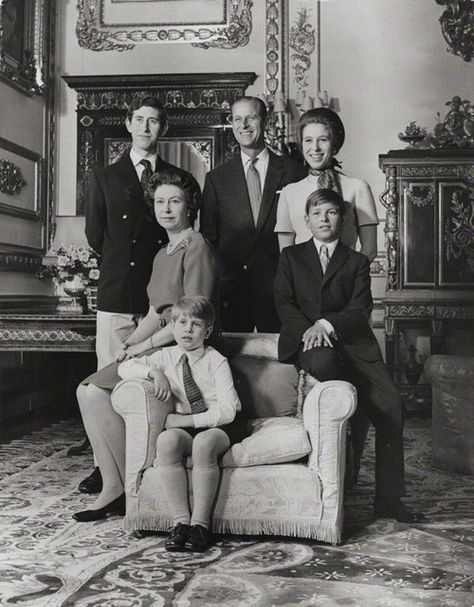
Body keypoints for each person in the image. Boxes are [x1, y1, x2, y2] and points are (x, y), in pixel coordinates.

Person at [74, 169, 219, 518]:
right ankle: (115, 485)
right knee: (86, 391)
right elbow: (156, 311)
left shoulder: (196, 245)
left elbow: (191, 318)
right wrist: (130, 344)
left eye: (174, 201)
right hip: (160, 344)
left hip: (185, 348)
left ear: (189, 207)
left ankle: (128, 485)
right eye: (159, 202)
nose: (166, 209)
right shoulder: (162, 252)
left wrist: (144, 346)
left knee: (94, 391)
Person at [274, 188, 424, 523]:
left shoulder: (355, 261)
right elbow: (284, 304)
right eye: (317, 213)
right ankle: (344, 467)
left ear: (342, 220)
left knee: (391, 405)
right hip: (309, 345)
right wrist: (309, 331)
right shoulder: (291, 258)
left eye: (331, 213)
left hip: (354, 344)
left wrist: (325, 325)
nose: (324, 219)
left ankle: (389, 501)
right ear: (307, 221)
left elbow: (360, 309)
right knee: (330, 369)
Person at [80, 96, 185, 495]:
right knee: (107, 377)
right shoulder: (105, 177)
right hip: (117, 291)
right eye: (139, 120)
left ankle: (148, 462)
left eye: (153, 122)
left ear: (163, 128)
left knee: (154, 377)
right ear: (128, 124)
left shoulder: (175, 178)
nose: (145, 128)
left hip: (158, 292)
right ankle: (103, 466)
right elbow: (95, 237)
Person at [116, 296, 243, 552]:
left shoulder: (215, 360)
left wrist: (185, 420)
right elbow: (125, 368)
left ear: (207, 331)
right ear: (172, 327)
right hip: (186, 425)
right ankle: (180, 522)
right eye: (182, 322)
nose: (187, 329)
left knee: (204, 444)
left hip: (220, 423)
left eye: (196, 325)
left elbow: (229, 409)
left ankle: (200, 525)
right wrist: (155, 373)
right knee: (166, 441)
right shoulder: (165, 356)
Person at [200, 96, 306, 332]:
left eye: (251, 118)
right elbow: (209, 239)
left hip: (282, 291)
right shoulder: (217, 179)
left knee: (283, 363)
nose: (244, 125)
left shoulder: (293, 172)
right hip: (232, 294)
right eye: (237, 119)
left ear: (265, 121)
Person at [275, 107, 379, 262]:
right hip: (303, 284)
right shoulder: (288, 193)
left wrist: (345, 279)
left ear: (335, 145)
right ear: (302, 145)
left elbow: (369, 250)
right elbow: (286, 254)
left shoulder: (358, 188)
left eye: (323, 140)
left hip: (346, 283)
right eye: (308, 140)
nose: (315, 148)